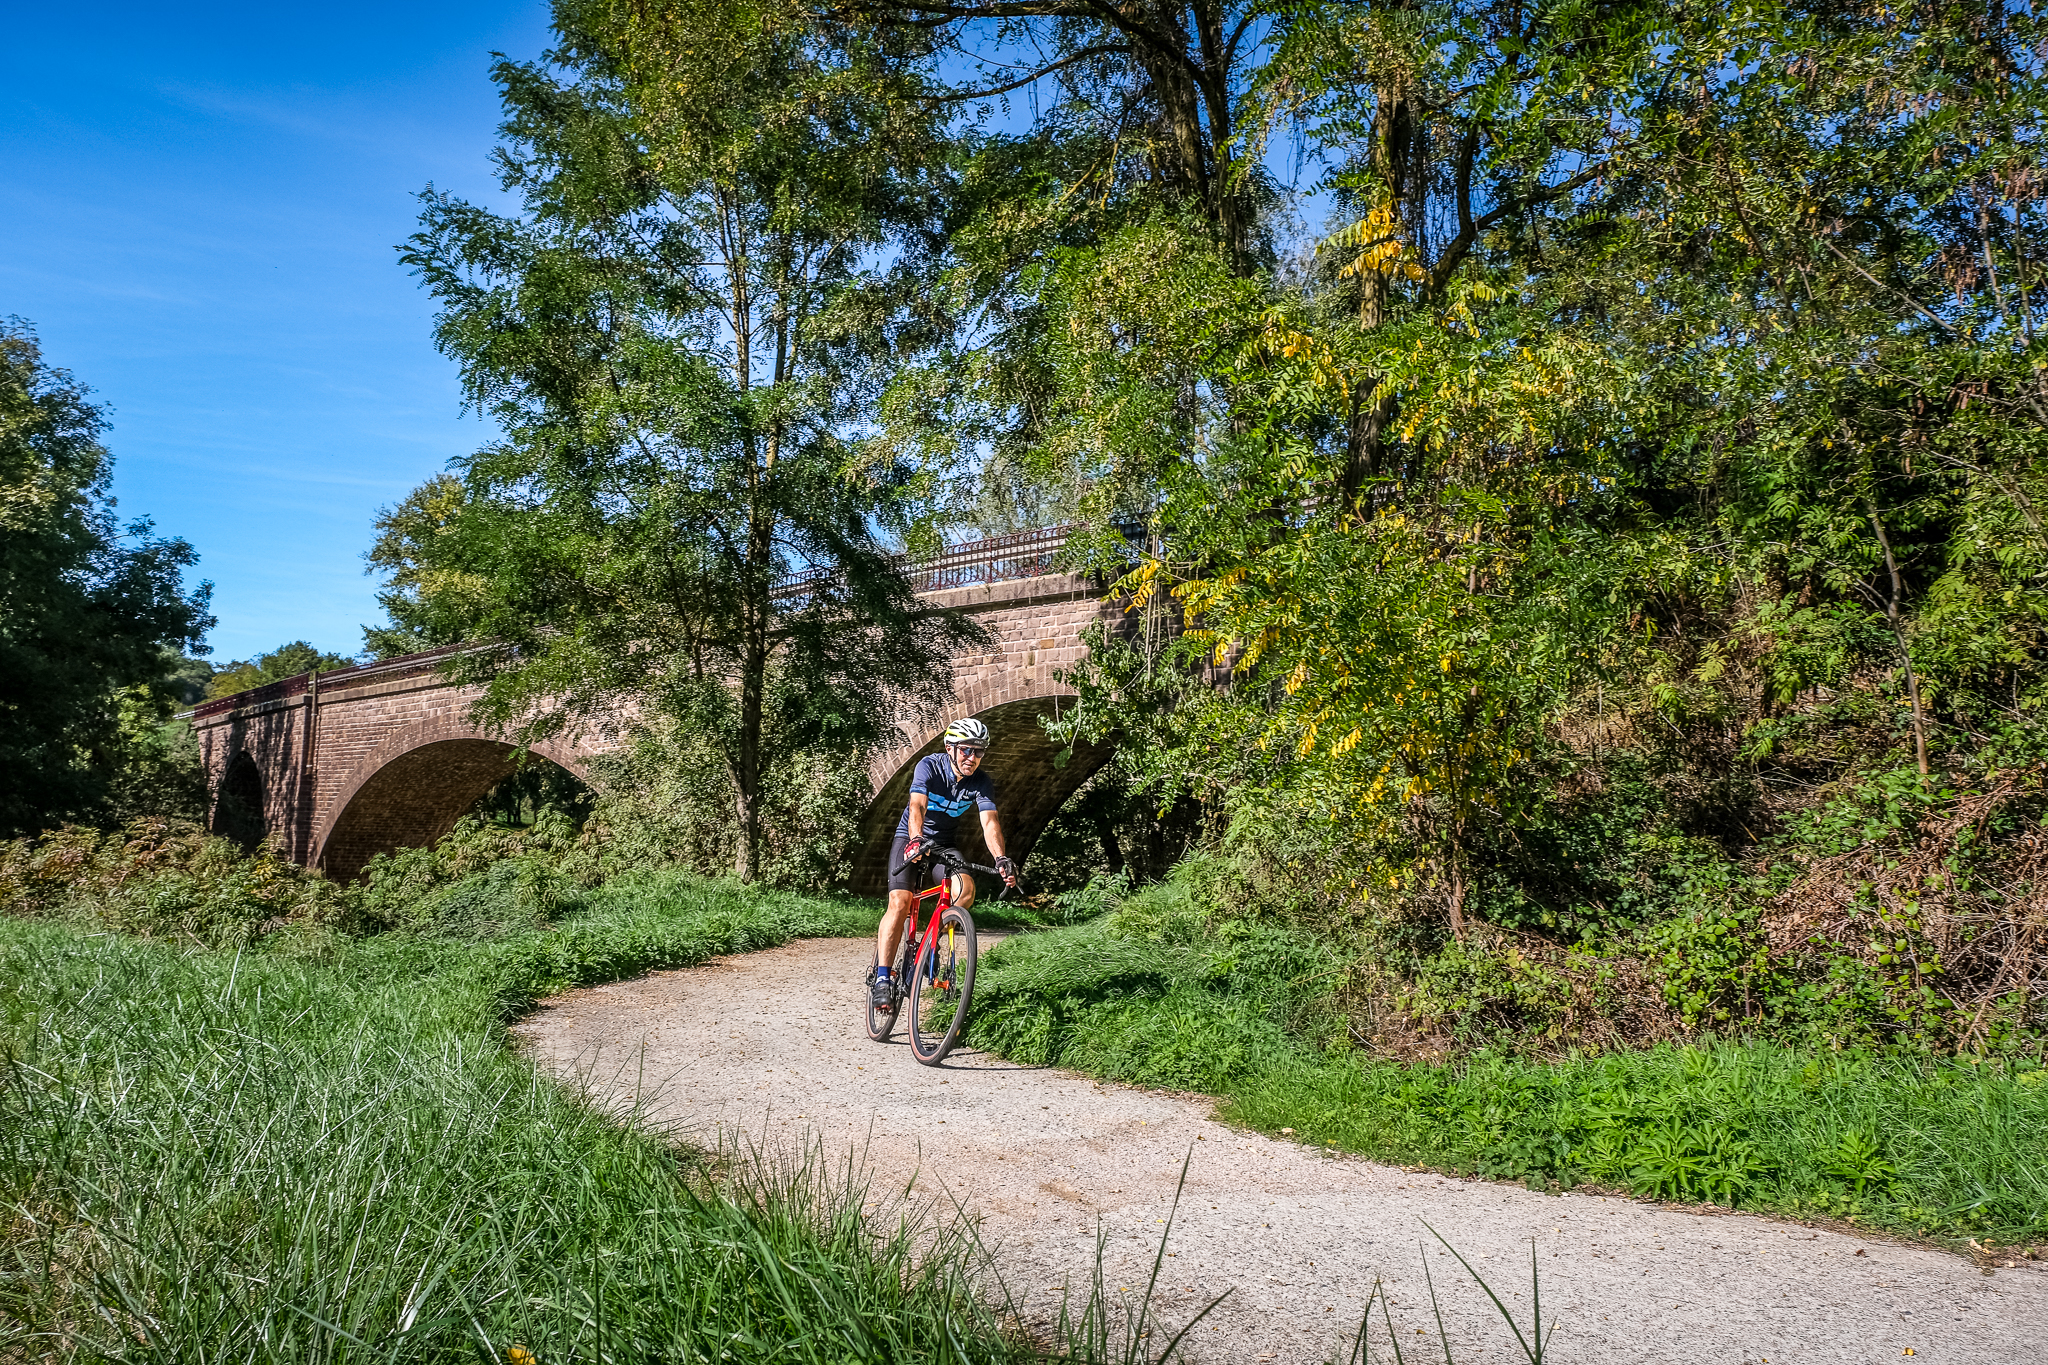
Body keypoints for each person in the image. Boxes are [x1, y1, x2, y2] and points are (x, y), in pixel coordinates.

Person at [870, 717, 1018, 1007]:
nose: (972, 757)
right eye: (966, 750)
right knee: (900, 902)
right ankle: (882, 978)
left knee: (965, 891)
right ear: (950, 748)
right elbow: (917, 805)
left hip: (944, 845)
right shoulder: (929, 765)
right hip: (911, 837)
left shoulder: (981, 782)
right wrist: (915, 840)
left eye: (979, 751)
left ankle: (929, 943)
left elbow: (990, 822)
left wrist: (1000, 857)